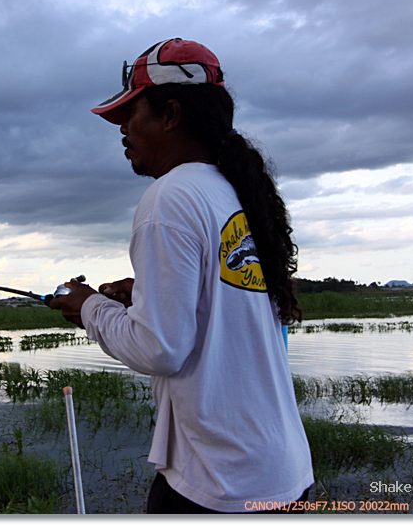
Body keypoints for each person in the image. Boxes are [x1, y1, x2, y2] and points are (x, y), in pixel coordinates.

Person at [49, 38, 313, 513]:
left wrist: (88, 306)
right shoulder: (238, 192)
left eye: (131, 116)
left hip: (219, 485)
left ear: (170, 115)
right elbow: (225, 308)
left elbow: (161, 349)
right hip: (284, 473)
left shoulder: (169, 199)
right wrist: (141, 295)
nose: (122, 130)